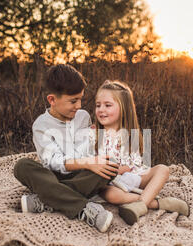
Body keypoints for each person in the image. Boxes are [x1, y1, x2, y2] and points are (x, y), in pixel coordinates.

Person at [13, 64, 120, 233]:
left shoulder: (83, 117)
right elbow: (54, 162)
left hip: (80, 176)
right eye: (73, 101)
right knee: (22, 166)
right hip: (51, 177)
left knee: (111, 164)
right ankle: (84, 208)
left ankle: (46, 200)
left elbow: (87, 153)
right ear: (52, 100)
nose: (79, 105)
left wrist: (95, 142)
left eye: (80, 99)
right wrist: (87, 162)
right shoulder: (41, 125)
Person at [90, 80, 190, 225]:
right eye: (98, 105)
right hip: (112, 181)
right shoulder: (94, 134)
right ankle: (157, 203)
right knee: (111, 195)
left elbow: (135, 165)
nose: (101, 109)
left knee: (162, 169)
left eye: (108, 105)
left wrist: (124, 169)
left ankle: (139, 205)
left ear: (124, 108)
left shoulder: (131, 135)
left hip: (134, 177)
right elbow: (92, 161)